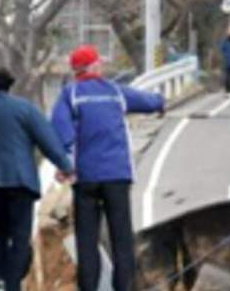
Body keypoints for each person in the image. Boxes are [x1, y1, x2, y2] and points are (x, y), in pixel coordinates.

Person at [50, 45, 164, 291]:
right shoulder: (115, 92)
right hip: (117, 175)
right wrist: (160, 103)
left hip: (85, 178)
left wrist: (65, 164)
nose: (101, 65)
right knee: (122, 240)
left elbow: (61, 131)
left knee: (87, 243)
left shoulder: (69, 95)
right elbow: (147, 101)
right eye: (98, 62)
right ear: (92, 66)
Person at [0, 68, 74, 291]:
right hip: (22, 182)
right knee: (20, 236)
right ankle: (12, 286)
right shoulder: (25, 109)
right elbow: (47, 140)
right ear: (8, 86)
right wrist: (66, 166)